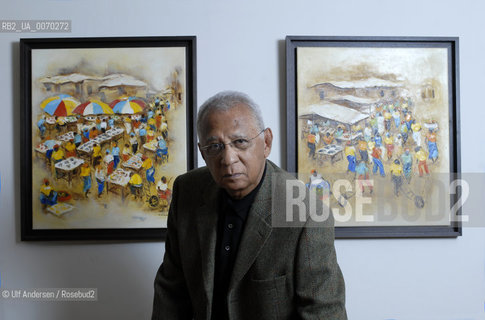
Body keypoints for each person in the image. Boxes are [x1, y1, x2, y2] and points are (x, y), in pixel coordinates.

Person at [152, 91, 346, 320]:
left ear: (266, 143)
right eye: (214, 146)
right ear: (202, 153)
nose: (228, 159)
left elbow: (323, 313)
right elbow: (171, 294)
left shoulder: (306, 212)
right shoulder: (187, 192)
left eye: (240, 142)